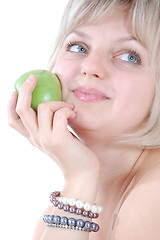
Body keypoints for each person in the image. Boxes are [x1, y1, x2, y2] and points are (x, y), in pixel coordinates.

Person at [7, 0, 160, 239]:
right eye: (79, 47)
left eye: (130, 56)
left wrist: (79, 178)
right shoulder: (67, 204)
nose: (90, 67)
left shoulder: (154, 196)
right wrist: (79, 178)